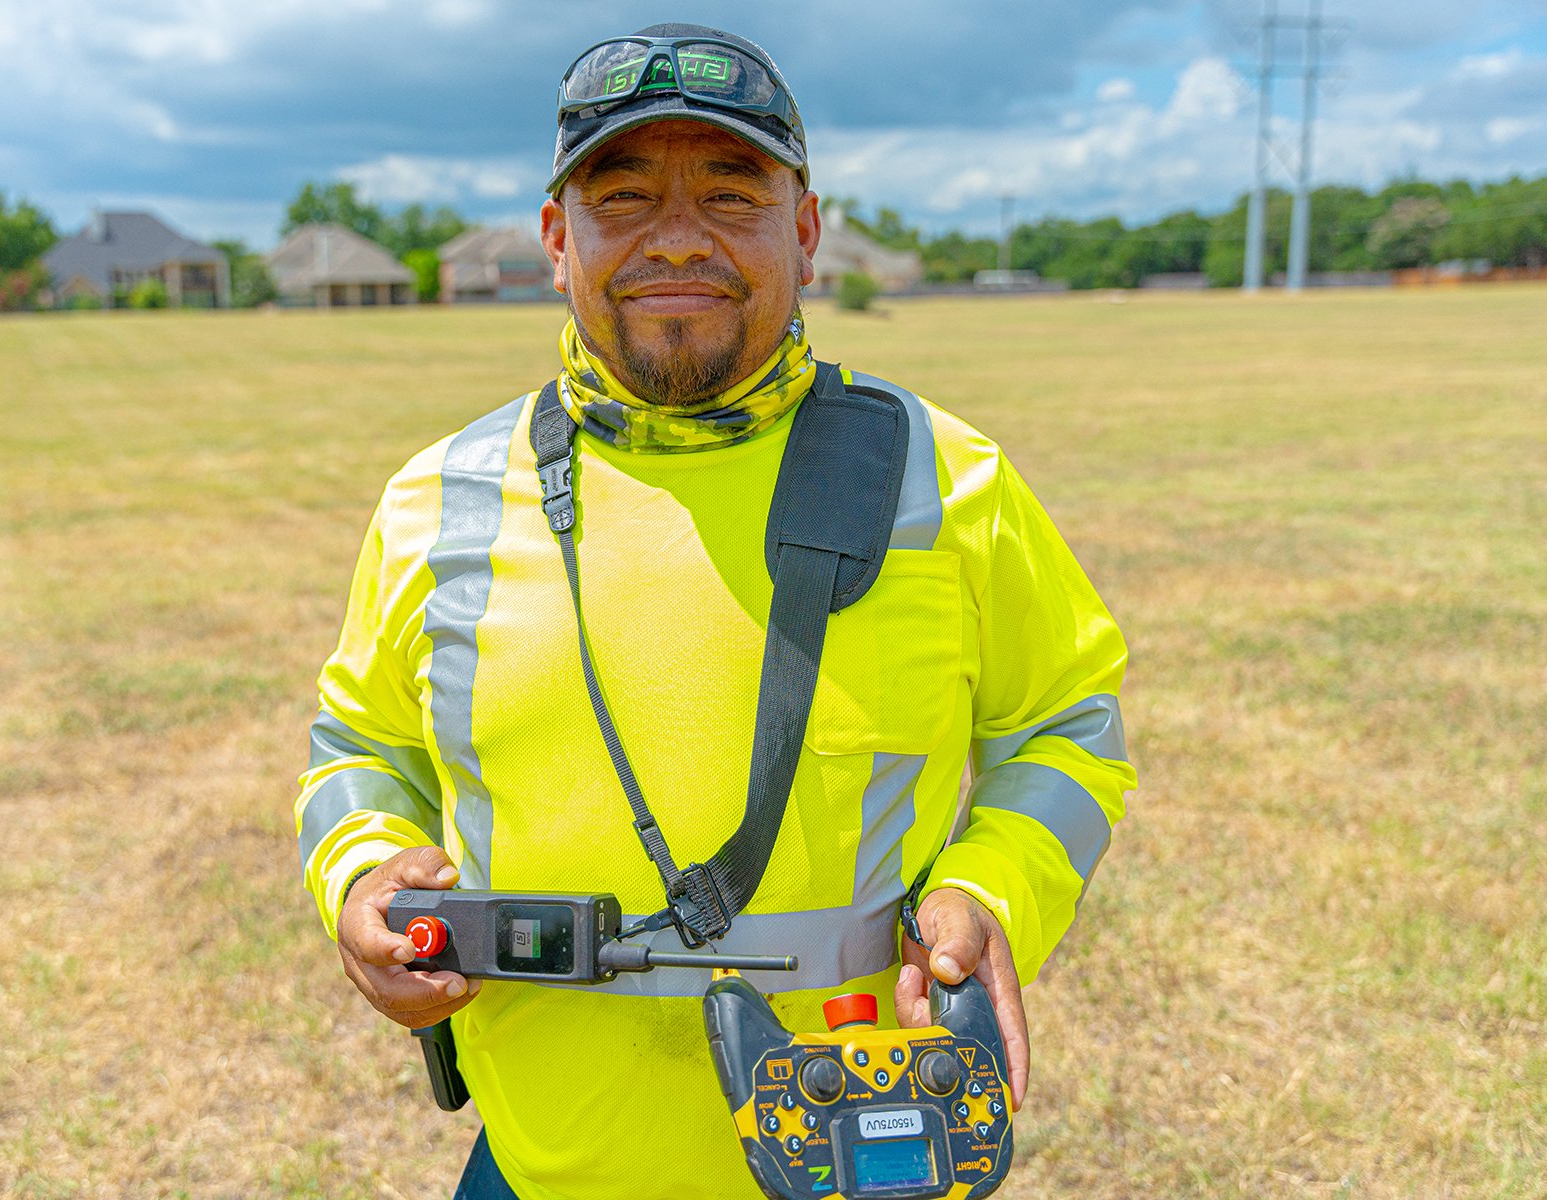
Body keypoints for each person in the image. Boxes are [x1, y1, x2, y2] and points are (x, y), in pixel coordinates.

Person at [293, 23, 1136, 1200]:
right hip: (540, 1168)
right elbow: (361, 750)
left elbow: (1069, 724)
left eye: (732, 194)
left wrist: (989, 893)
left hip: (861, 1156)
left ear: (804, 230)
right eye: (622, 194)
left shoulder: (946, 479)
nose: (676, 235)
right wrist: (362, 874)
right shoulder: (436, 500)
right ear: (556, 240)